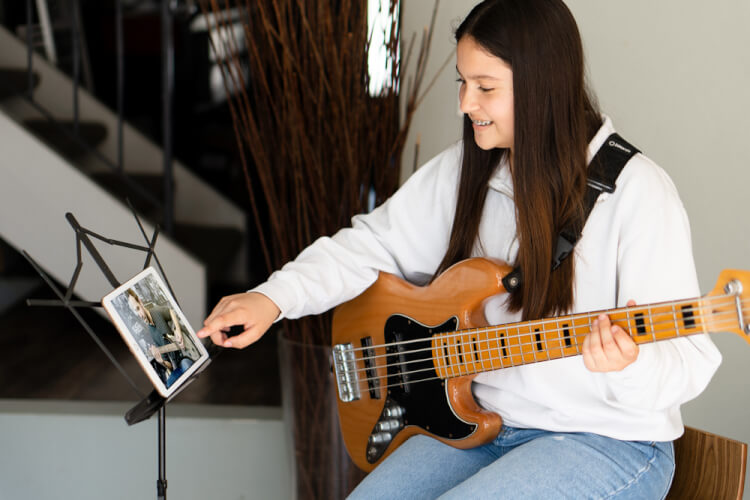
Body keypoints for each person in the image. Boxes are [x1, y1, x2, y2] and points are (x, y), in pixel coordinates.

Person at [197, 0, 722, 497]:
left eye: (485, 87)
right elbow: (370, 245)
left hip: (609, 444)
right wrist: (273, 299)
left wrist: (630, 365)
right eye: (462, 82)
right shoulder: (470, 166)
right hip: (487, 428)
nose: (466, 104)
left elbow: (691, 360)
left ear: (543, 87)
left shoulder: (639, 193)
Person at [126, 290, 195, 388]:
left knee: (187, 367)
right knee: (168, 384)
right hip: (177, 365)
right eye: (136, 313)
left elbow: (171, 311)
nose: (139, 315)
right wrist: (161, 361)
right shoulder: (151, 332)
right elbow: (169, 365)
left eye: (137, 308)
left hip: (186, 355)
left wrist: (177, 329)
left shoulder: (155, 312)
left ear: (140, 302)